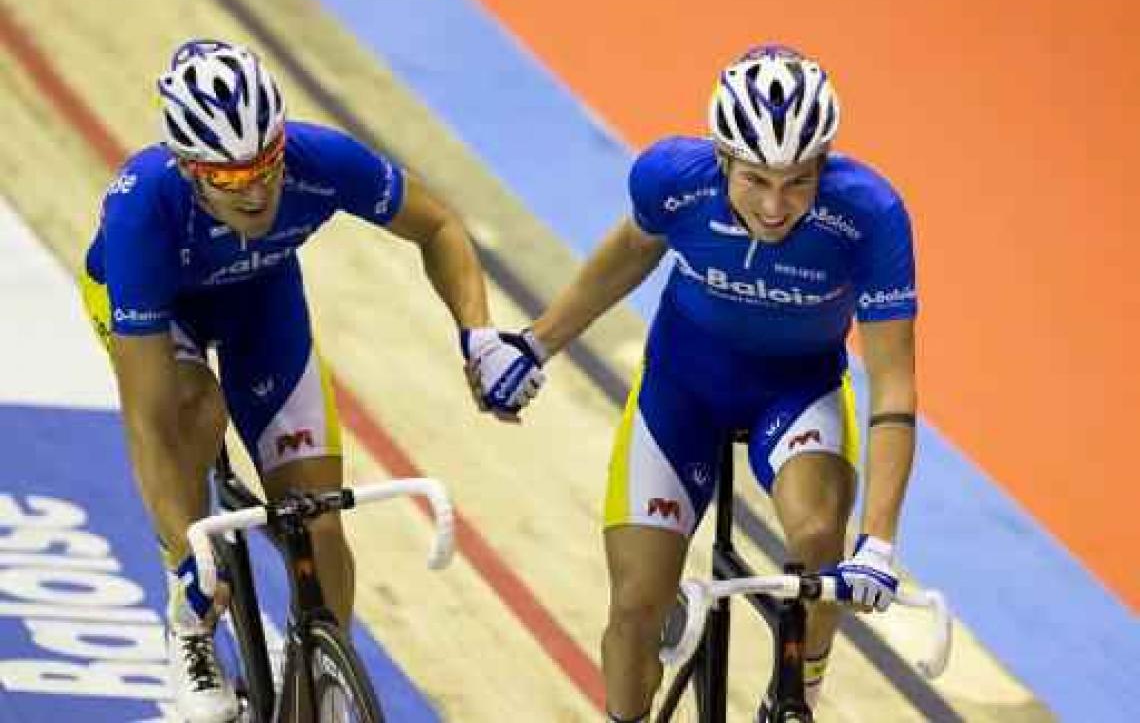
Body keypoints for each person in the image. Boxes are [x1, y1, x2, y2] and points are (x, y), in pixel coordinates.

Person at [79, 38, 543, 722]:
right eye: (233, 180)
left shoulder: (319, 160)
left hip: (261, 301)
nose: (260, 189)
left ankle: (321, 686)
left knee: (317, 525)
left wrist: (475, 334)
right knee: (188, 405)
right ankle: (190, 626)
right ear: (187, 168)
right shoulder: (141, 212)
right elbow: (147, 419)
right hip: (159, 311)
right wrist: (187, 550)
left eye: (266, 165)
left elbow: (439, 225)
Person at [511, 44, 919, 720]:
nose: (775, 205)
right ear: (723, 157)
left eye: (797, 181)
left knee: (819, 539)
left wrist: (877, 540)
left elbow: (895, 386)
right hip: (683, 389)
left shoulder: (870, 217)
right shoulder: (673, 179)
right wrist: (536, 343)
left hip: (797, 391)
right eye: (756, 179)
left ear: (825, 164)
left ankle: (796, 695)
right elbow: (623, 261)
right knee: (638, 603)